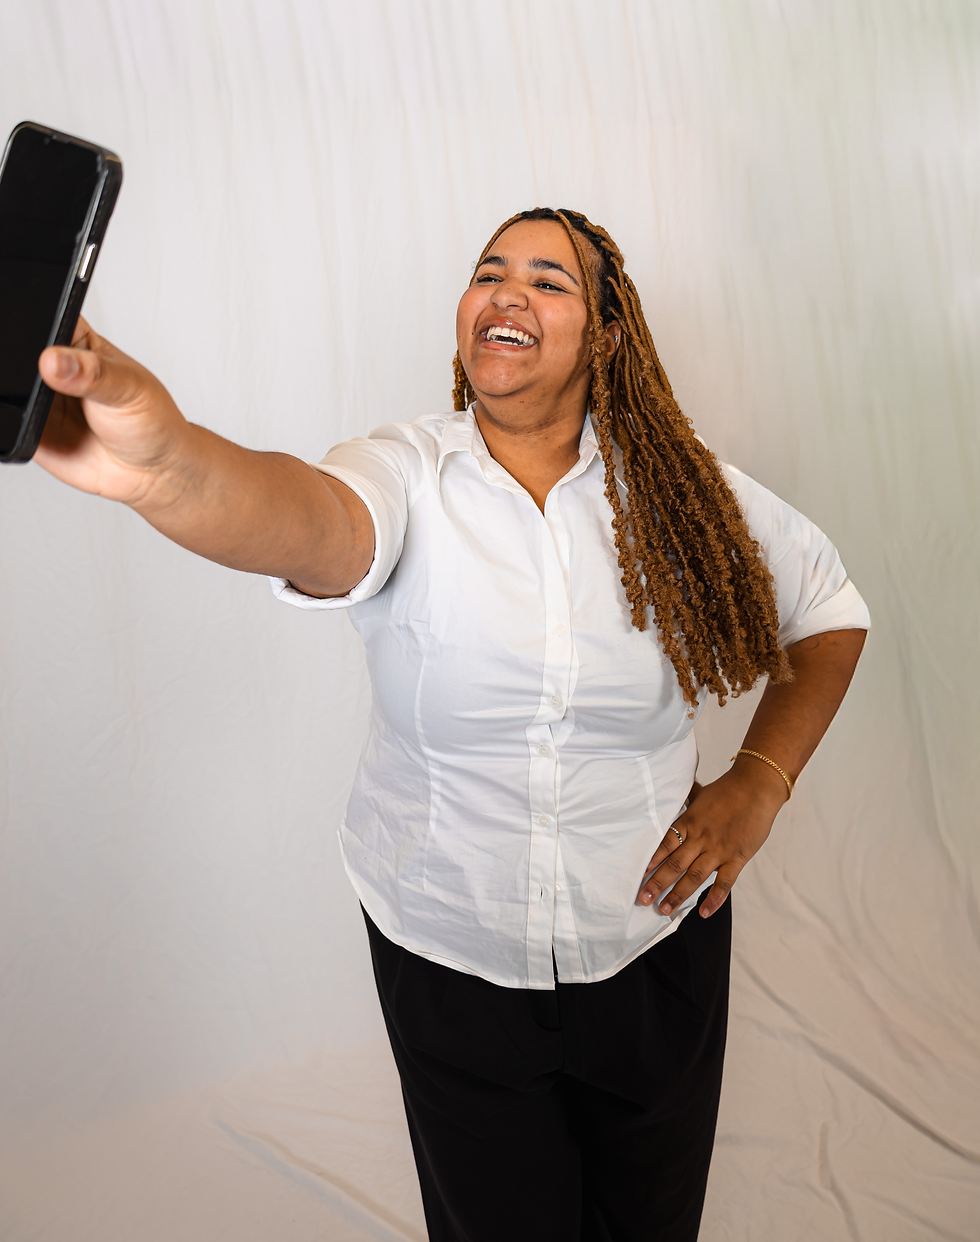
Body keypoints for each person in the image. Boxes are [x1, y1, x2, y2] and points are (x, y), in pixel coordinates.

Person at [34, 207, 869, 1241]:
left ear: (605, 338)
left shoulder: (677, 490)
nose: (506, 292)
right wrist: (167, 468)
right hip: (450, 952)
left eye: (548, 281)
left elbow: (827, 612)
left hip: (651, 942)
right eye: (488, 272)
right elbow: (309, 521)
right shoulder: (404, 473)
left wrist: (757, 782)